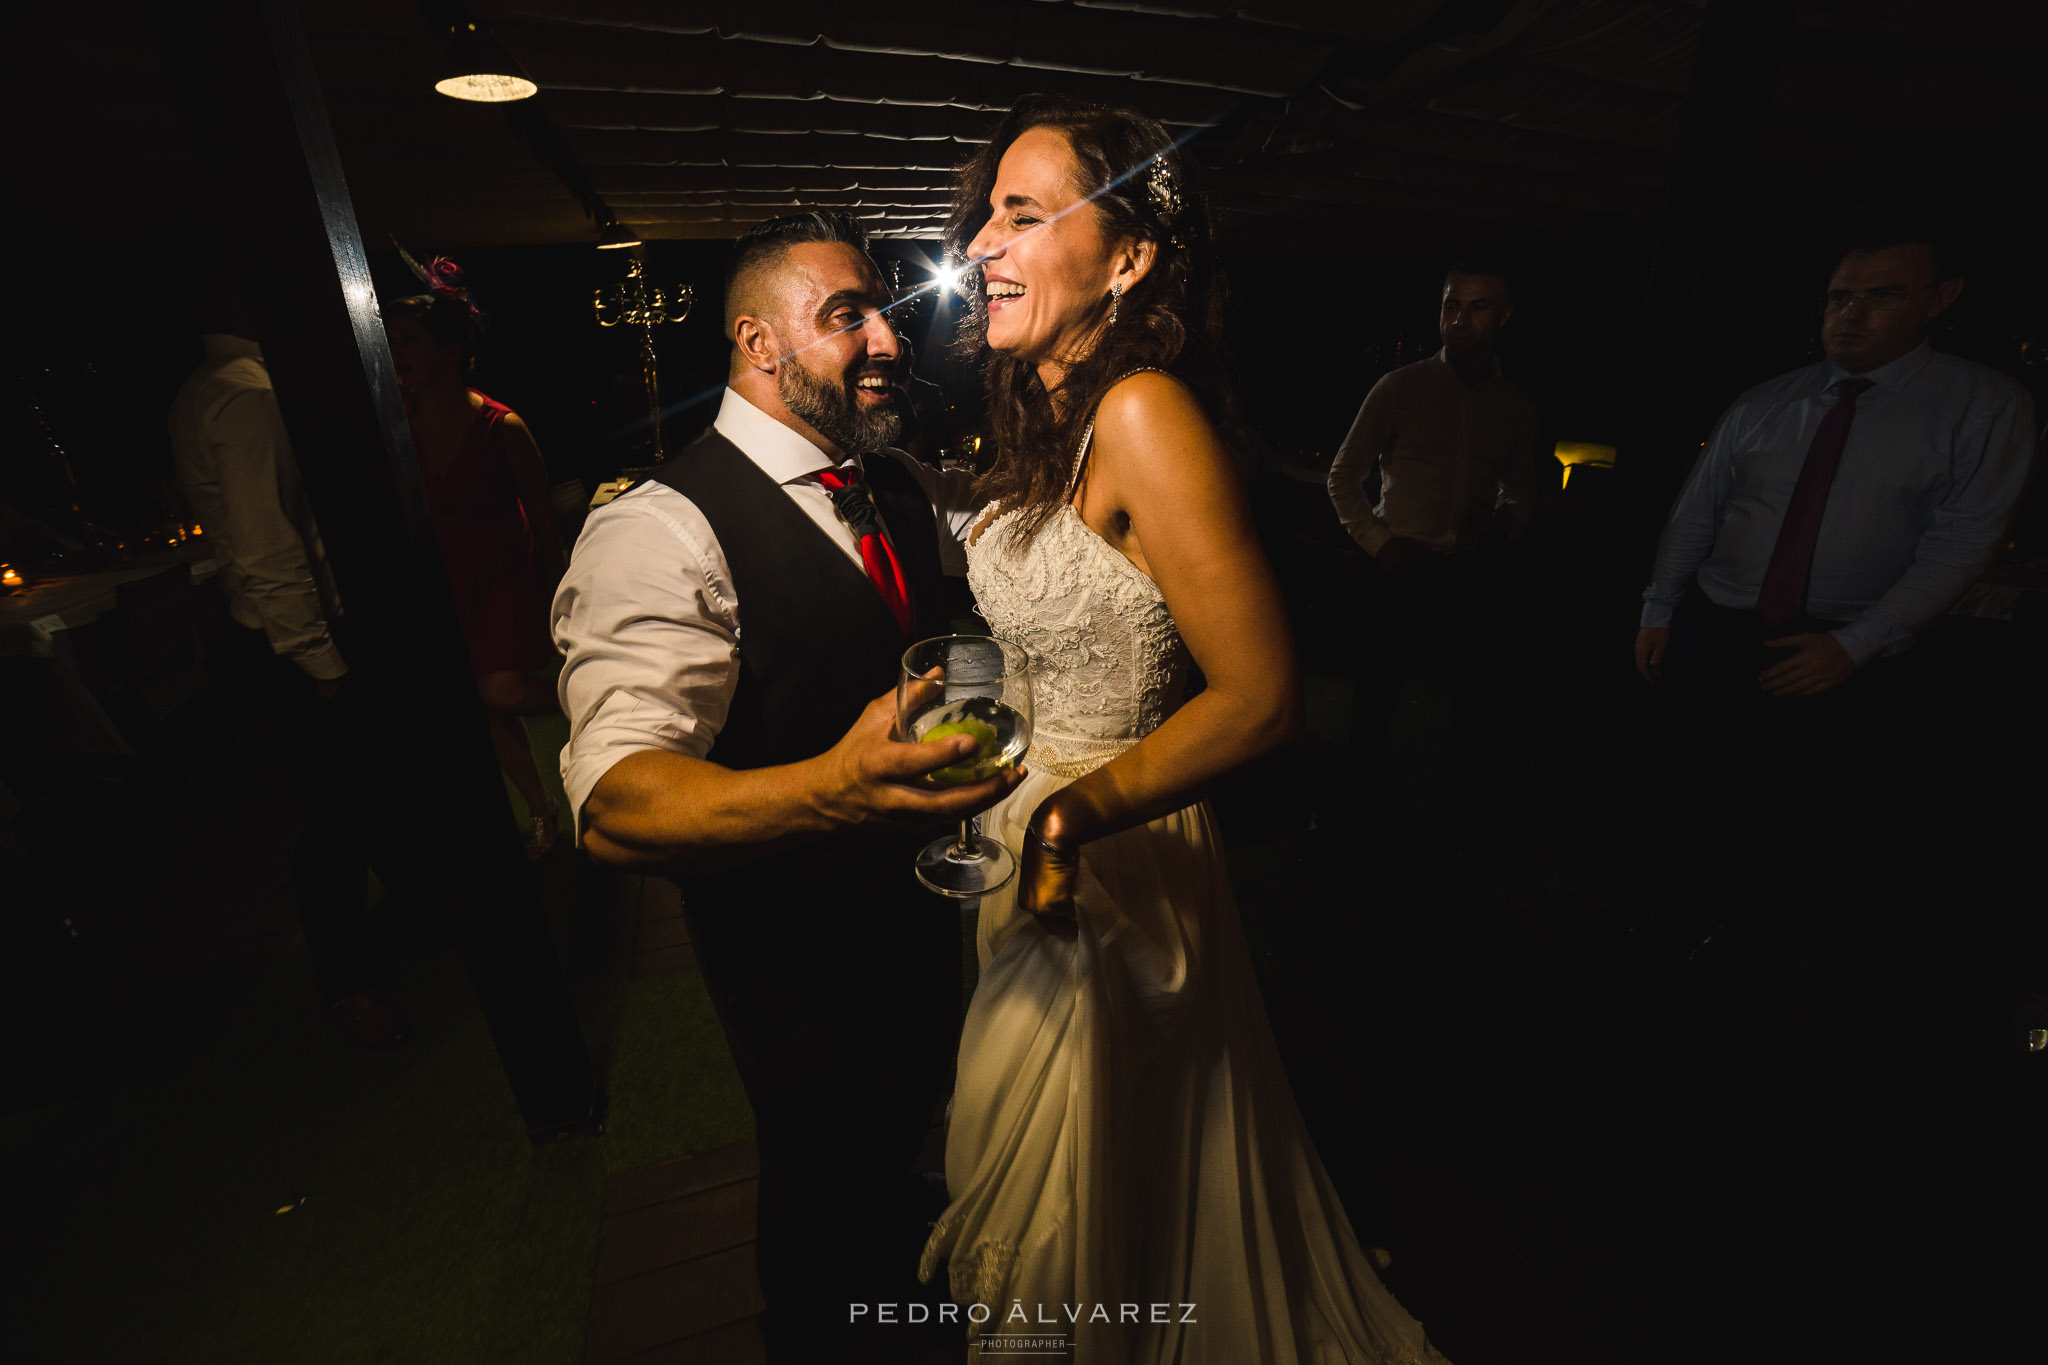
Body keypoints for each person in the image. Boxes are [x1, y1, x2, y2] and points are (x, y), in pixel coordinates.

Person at [919, 94, 1451, 1364]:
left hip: (1116, 847)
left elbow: (1261, 699)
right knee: (1096, 1167)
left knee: (1074, 1185)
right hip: (1021, 826)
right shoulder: (1036, 414)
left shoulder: (1141, 411)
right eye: (986, 213)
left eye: (1025, 215)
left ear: (1130, 258)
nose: (984, 246)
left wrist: (1067, 815)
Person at [553, 212, 1012, 1364]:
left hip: (930, 917)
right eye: (844, 316)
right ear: (757, 341)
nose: (887, 343)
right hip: (795, 948)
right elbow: (618, 801)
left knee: (907, 1137)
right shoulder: (657, 530)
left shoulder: (893, 478)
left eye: (884, 313)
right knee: (822, 1189)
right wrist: (834, 788)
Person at [1634, 233, 2036, 953]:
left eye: (1881, 295)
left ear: (1938, 301)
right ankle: (1678, 916)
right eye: (1840, 296)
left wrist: (1857, 643)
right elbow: (1697, 511)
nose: (1851, 313)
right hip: (1720, 621)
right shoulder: (1766, 401)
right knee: (1692, 781)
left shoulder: (1982, 405)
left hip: (1845, 634)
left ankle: (1755, 937)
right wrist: (1662, 608)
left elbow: (1963, 544)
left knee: (1799, 802)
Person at [168, 276, 408, 1048]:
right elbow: (269, 543)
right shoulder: (245, 392)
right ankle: (351, 983)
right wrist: (320, 659)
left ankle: (414, 920)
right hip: (296, 640)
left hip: (281, 637)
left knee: (360, 795)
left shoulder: (206, 387)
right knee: (335, 814)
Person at [1325, 265, 1545, 860]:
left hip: (1468, 573)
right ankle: (1361, 820)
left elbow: (1522, 489)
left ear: (1504, 318)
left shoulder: (1515, 406)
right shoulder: (1400, 387)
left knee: (1477, 705)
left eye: (1477, 308)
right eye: (1451, 307)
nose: (1459, 320)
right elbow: (1344, 474)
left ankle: (1451, 822)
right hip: (1398, 567)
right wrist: (1379, 542)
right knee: (1375, 699)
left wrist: (1507, 523)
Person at [384, 259, 567, 857]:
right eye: (390, 341)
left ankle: (603, 696)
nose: (395, 353)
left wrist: (566, 604)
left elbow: (544, 520)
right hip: (443, 581)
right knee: (477, 701)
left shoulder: (501, 426)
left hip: (506, 574)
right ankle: (541, 811)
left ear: (449, 348)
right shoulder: (394, 428)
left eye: (408, 341)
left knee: (501, 691)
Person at [890, 333, 959, 467]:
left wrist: (950, 469)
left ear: (912, 360)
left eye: (903, 358)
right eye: (896, 358)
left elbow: (944, 435)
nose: (899, 363)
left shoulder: (930, 392)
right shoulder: (880, 394)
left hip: (928, 465)